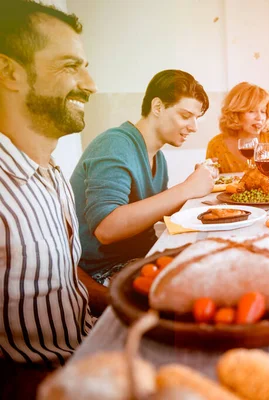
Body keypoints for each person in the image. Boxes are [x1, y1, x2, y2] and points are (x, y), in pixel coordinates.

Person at [0, 0, 104, 397]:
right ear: (9, 71)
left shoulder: (53, 173)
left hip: (90, 352)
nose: (91, 84)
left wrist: (123, 304)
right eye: (69, 65)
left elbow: (66, 275)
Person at [71, 70, 214, 285]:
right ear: (157, 107)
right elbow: (106, 228)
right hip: (105, 271)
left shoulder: (159, 157)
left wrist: (199, 194)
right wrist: (186, 189)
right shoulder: (115, 144)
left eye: (196, 119)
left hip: (142, 257)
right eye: (185, 116)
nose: (193, 127)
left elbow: (148, 212)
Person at [206, 82, 269, 173]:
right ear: (235, 113)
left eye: (263, 111)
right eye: (251, 111)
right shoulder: (216, 145)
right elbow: (212, 182)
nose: (260, 118)